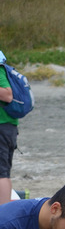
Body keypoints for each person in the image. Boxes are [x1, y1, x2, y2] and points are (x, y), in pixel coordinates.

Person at [0, 50, 19, 205]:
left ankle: (3, 212)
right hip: (7, 127)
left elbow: (7, 95)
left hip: (3, 127)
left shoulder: (0, 70)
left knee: (1, 173)